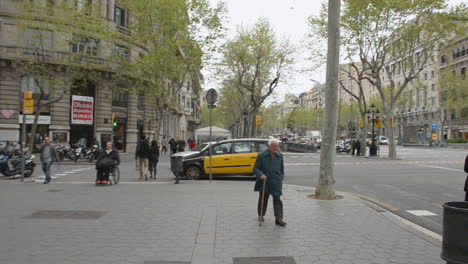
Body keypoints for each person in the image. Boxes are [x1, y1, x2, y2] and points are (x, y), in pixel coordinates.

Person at [253, 138, 287, 227]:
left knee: (277, 200)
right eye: (274, 146)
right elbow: (256, 168)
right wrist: (261, 175)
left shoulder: (280, 156)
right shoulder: (261, 156)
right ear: (269, 146)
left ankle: (279, 219)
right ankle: (261, 215)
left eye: (277, 147)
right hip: (265, 181)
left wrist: (281, 177)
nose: (276, 148)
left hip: (276, 181)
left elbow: (281, 169)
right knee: (263, 199)